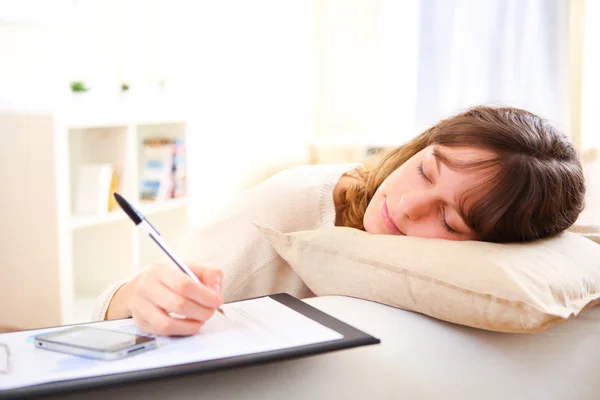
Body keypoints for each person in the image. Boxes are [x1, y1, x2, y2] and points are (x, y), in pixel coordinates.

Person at [92, 105, 586, 336]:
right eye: (424, 171)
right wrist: (140, 296)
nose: (409, 204)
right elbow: (103, 312)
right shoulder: (292, 204)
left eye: (451, 221)